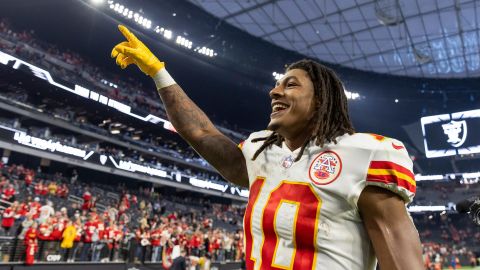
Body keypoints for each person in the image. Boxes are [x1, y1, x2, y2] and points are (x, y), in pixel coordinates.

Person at [112, 25, 423, 269]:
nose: (275, 91)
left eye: (291, 84)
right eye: (277, 84)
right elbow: (200, 131)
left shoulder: (362, 154)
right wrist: (158, 72)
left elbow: (401, 259)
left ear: (320, 101)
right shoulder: (262, 151)